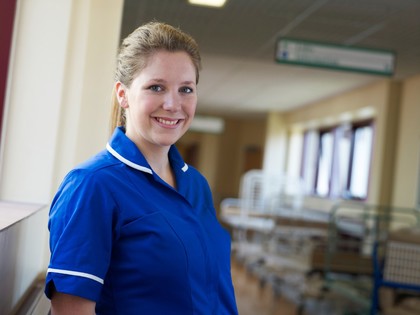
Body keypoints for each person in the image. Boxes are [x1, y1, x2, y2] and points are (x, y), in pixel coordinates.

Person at [45, 21, 238, 315]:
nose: (173, 104)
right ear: (123, 94)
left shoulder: (195, 184)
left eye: (186, 89)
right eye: (156, 87)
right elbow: (71, 310)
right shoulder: (92, 186)